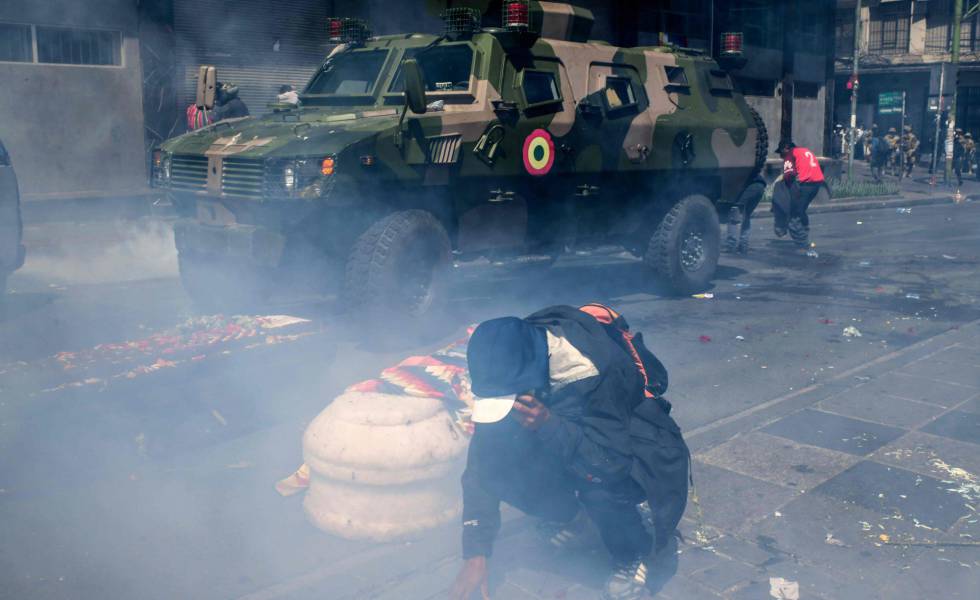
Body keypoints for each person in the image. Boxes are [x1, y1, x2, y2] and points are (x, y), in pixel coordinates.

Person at [451, 306, 689, 600]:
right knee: (502, 465)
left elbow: (611, 463)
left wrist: (548, 424)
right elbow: (482, 463)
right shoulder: (516, 361)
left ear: (530, 371)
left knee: (598, 485)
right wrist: (475, 551)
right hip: (572, 438)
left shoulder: (594, 369)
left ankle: (633, 550)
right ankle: (575, 518)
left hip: (634, 452)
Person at [776, 140, 825, 249]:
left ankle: (803, 244)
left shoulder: (790, 154)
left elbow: (789, 175)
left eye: (781, 153)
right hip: (817, 184)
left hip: (805, 185)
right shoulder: (805, 150)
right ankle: (805, 232)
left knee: (793, 215)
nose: (781, 156)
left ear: (786, 148)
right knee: (801, 210)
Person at [724, 174, 766, 254]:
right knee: (746, 215)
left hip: (750, 186)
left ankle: (731, 246)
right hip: (760, 186)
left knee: (734, 214)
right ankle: (743, 246)